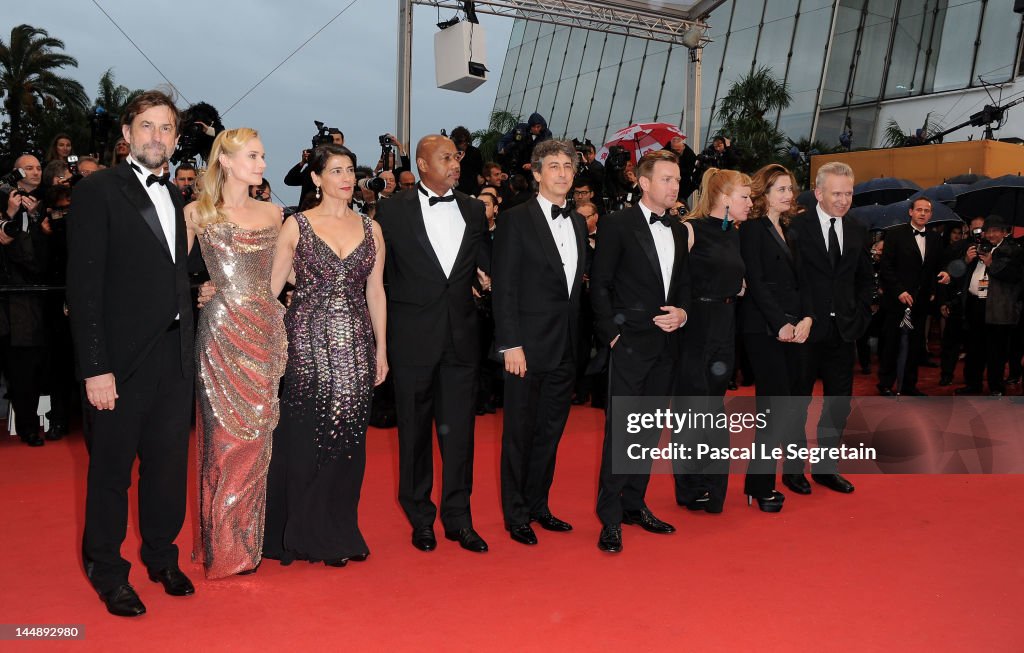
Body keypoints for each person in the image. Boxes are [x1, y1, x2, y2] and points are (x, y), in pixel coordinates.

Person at [67, 90, 198, 617]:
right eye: (147, 126)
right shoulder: (98, 190)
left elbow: (171, 275)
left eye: (166, 128)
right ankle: (108, 570)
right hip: (118, 365)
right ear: (126, 135)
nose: (156, 137)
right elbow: (85, 288)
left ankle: (162, 556)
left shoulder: (179, 199)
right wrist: (95, 368)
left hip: (174, 359)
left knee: (167, 469)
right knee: (111, 473)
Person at [262, 143, 387, 567]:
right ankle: (296, 533)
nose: (347, 177)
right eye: (335, 170)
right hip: (306, 342)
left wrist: (382, 347)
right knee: (303, 437)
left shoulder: (372, 229)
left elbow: (376, 291)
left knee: (347, 438)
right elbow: (273, 288)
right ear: (316, 179)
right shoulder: (296, 225)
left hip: (355, 343)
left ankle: (335, 529)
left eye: (350, 169)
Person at [376, 134, 491, 554]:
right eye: (445, 157)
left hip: (461, 339)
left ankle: (459, 518)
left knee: (460, 435)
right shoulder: (391, 211)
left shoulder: (475, 209)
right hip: (411, 339)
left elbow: (485, 262)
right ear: (423, 165)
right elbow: (376, 275)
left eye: (456, 156)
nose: (455, 163)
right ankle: (420, 517)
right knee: (413, 434)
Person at [184, 128, 288, 578]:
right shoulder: (196, 213)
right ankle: (222, 548)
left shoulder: (275, 213)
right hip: (220, 334)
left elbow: (283, 274)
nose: (262, 164)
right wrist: (197, 289)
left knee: (257, 438)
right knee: (225, 441)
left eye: (263, 156)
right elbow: (171, 276)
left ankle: (244, 546)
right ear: (225, 161)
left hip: (262, 331)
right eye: (253, 156)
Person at [590, 149, 690, 553]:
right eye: (667, 179)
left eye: (678, 180)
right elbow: (600, 284)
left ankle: (635, 504)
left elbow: (682, 285)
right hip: (630, 342)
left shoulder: (681, 230)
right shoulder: (618, 225)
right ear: (643, 183)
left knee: (649, 431)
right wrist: (611, 335)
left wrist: (682, 313)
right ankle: (610, 516)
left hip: (667, 344)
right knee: (623, 430)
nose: (675, 186)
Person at [493, 139, 586, 545]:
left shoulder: (579, 221)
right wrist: (510, 343)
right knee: (519, 433)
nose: (563, 173)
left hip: (566, 346)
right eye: (554, 166)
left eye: (568, 166)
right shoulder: (515, 220)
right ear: (536, 173)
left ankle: (538, 505)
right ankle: (516, 514)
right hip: (525, 349)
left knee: (550, 432)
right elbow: (505, 288)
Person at [785, 161, 872, 496]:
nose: (843, 199)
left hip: (844, 331)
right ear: (819, 192)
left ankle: (825, 468)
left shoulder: (857, 228)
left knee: (839, 402)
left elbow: (864, 278)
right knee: (797, 403)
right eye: (836, 193)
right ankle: (793, 470)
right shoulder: (796, 226)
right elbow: (790, 279)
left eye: (848, 193)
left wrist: (860, 314)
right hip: (806, 331)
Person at [673, 167, 751, 514]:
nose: (750, 203)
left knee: (714, 411)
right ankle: (691, 487)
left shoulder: (734, 233)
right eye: (745, 197)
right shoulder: (690, 230)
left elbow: (731, 275)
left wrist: (737, 285)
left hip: (724, 324)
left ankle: (713, 487)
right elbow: (673, 280)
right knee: (692, 412)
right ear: (723, 198)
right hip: (695, 327)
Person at [738, 164, 812, 512]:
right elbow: (755, 281)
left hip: (793, 329)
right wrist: (780, 323)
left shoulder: (788, 228)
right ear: (763, 193)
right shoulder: (752, 230)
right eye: (781, 189)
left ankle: (760, 481)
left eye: (790, 189)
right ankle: (760, 484)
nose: (788, 194)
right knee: (774, 406)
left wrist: (805, 319)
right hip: (764, 330)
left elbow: (800, 282)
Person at [876, 197, 949, 396]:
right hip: (896, 299)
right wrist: (899, 290)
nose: (923, 213)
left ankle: (909, 385)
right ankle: (885, 383)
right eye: (919, 210)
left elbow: (937, 266)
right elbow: (886, 267)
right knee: (892, 343)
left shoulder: (935, 239)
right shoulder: (895, 234)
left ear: (931, 215)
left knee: (916, 345)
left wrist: (943, 275)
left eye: (927, 210)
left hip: (921, 301)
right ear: (911, 212)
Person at [953, 215, 1024, 396]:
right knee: (974, 349)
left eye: (995, 231)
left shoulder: (1014, 250)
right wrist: (967, 261)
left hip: (998, 308)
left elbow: (1015, 276)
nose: (990, 234)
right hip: (975, 304)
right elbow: (960, 272)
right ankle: (973, 385)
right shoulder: (977, 247)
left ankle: (996, 387)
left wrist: (992, 263)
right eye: (988, 231)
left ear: (1004, 232)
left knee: (996, 352)